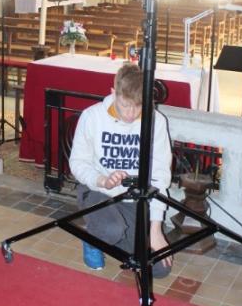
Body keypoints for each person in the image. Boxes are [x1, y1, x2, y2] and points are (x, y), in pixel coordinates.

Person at [69, 62, 173, 278]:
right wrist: (102, 180)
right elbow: (77, 163)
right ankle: (93, 240)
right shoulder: (92, 116)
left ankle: (116, 237)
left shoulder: (156, 122)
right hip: (98, 192)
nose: (131, 113)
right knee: (111, 230)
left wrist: (156, 230)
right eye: (125, 104)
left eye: (138, 105)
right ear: (113, 92)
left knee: (159, 269)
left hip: (134, 200)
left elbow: (160, 177)